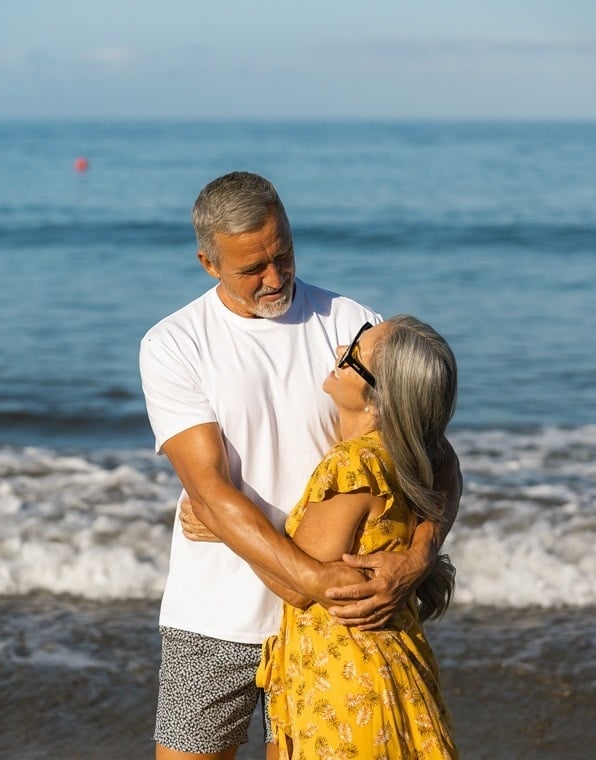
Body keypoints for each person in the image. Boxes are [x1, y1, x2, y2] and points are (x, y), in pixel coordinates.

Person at [140, 171, 460, 760]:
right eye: (251, 268)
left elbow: (432, 453)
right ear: (209, 263)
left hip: (338, 627)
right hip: (219, 618)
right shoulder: (174, 344)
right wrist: (310, 580)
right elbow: (208, 486)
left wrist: (417, 559)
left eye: (282, 254)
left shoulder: (349, 324)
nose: (274, 277)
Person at [253, 315, 459, 759]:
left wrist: (219, 520)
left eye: (353, 356)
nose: (339, 352)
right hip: (394, 669)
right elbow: (451, 470)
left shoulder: (353, 465)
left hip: (346, 686)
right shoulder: (414, 454)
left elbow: (296, 587)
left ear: (377, 399)